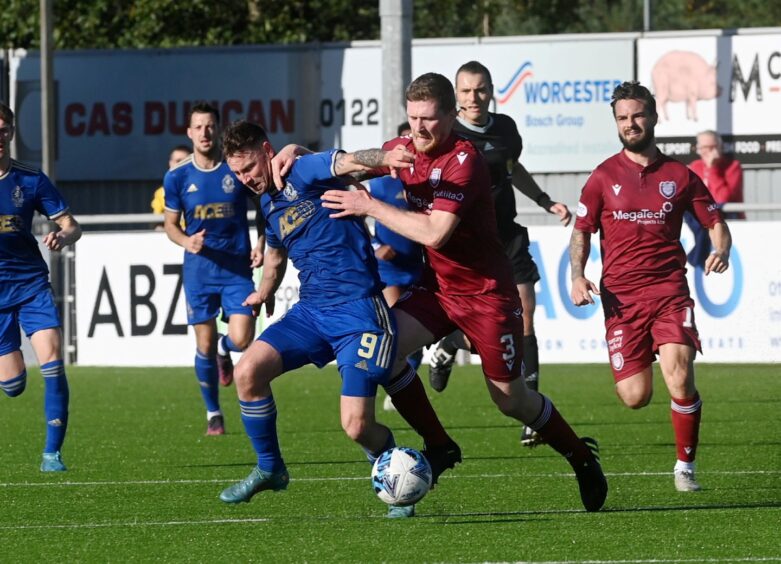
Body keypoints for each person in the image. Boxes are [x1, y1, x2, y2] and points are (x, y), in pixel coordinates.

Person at [322, 72, 608, 513]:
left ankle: (580, 456)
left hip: (487, 294)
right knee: (386, 349)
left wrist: (370, 205)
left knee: (509, 398)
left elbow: (435, 234)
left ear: (451, 116)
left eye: (430, 119)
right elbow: (358, 161)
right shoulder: (407, 147)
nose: (419, 129)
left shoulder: (464, 160)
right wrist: (303, 155)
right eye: (413, 118)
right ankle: (439, 446)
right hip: (438, 290)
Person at [217, 120, 460, 519]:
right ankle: (270, 468)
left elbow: (348, 162)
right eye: (238, 174)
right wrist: (264, 292)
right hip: (312, 312)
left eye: (249, 168)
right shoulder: (266, 204)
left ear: (266, 150)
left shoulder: (302, 170)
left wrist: (385, 157)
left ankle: (394, 475)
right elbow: (275, 257)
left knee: (355, 426)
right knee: (247, 373)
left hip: (360, 312)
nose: (246, 179)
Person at [569, 81, 732, 492]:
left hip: (669, 291)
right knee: (634, 396)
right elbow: (582, 231)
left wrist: (722, 248)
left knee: (679, 375)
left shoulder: (679, 175)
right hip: (621, 300)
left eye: (637, 115)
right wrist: (577, 274)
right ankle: (651, 360)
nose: (631, 123)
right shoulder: (603, 176)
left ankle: (685, 467)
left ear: (654, 117)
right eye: (623, 118)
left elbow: (715, 221)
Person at [427, 60, 573, 448]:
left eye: (481, 89)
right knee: (484, 328)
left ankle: (532, 416)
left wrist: (544, 201)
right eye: (466, 91)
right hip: (466, 244)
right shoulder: (447, 133)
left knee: (525, 312)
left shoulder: (505, 129)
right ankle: (451, 344)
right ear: (455, 96)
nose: (474, 97)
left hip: (506, 235)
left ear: (492, 91)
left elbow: (512, 169)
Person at [163, 103, 264, 436]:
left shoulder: (235, 169)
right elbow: (171, 225)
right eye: (198, 127)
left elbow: (264, 207)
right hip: (200, 271)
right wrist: (186, 241)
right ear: (189, 132)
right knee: (202, 345)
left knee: (241, 337)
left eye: (210, 126)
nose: (205, 133)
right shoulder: (177, 176)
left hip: (236, 269)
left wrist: (261, 243)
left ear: (218, 130)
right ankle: (213, 413)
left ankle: (227, 349)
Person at [0, 101, 82, 472]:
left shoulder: (30, 179)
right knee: (13, 385)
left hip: (31, 284)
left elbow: (71, 224)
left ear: (12, 133)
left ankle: (52, 453)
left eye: (3, 129)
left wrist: (63, 236)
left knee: (51, 361)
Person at [368, 122, 425, 412]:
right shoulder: (378, 181)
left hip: (418, 264)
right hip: (390, 268)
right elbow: (357, 217)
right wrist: (377, 247)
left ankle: (406, 379)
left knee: (416, 335)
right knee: (395, 328)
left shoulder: (422, 180)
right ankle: (399, 385)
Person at [684, 130, 744, 268]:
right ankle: (698, 258)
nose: (708, 151)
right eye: (704, 147)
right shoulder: (695, 166)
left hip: (727, 218)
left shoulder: (732, 167)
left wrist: (712, 169)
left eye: (712, 147)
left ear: (720, 147)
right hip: (701, 219)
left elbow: (723, 197)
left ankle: (696, 257)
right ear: (698, 148)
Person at [151, 144, 192, 215]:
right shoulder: (160, 193)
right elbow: (157, 222)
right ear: (170, 163)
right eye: (178, 161)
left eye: (185, 161)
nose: (181, 165)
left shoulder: (204, 188)